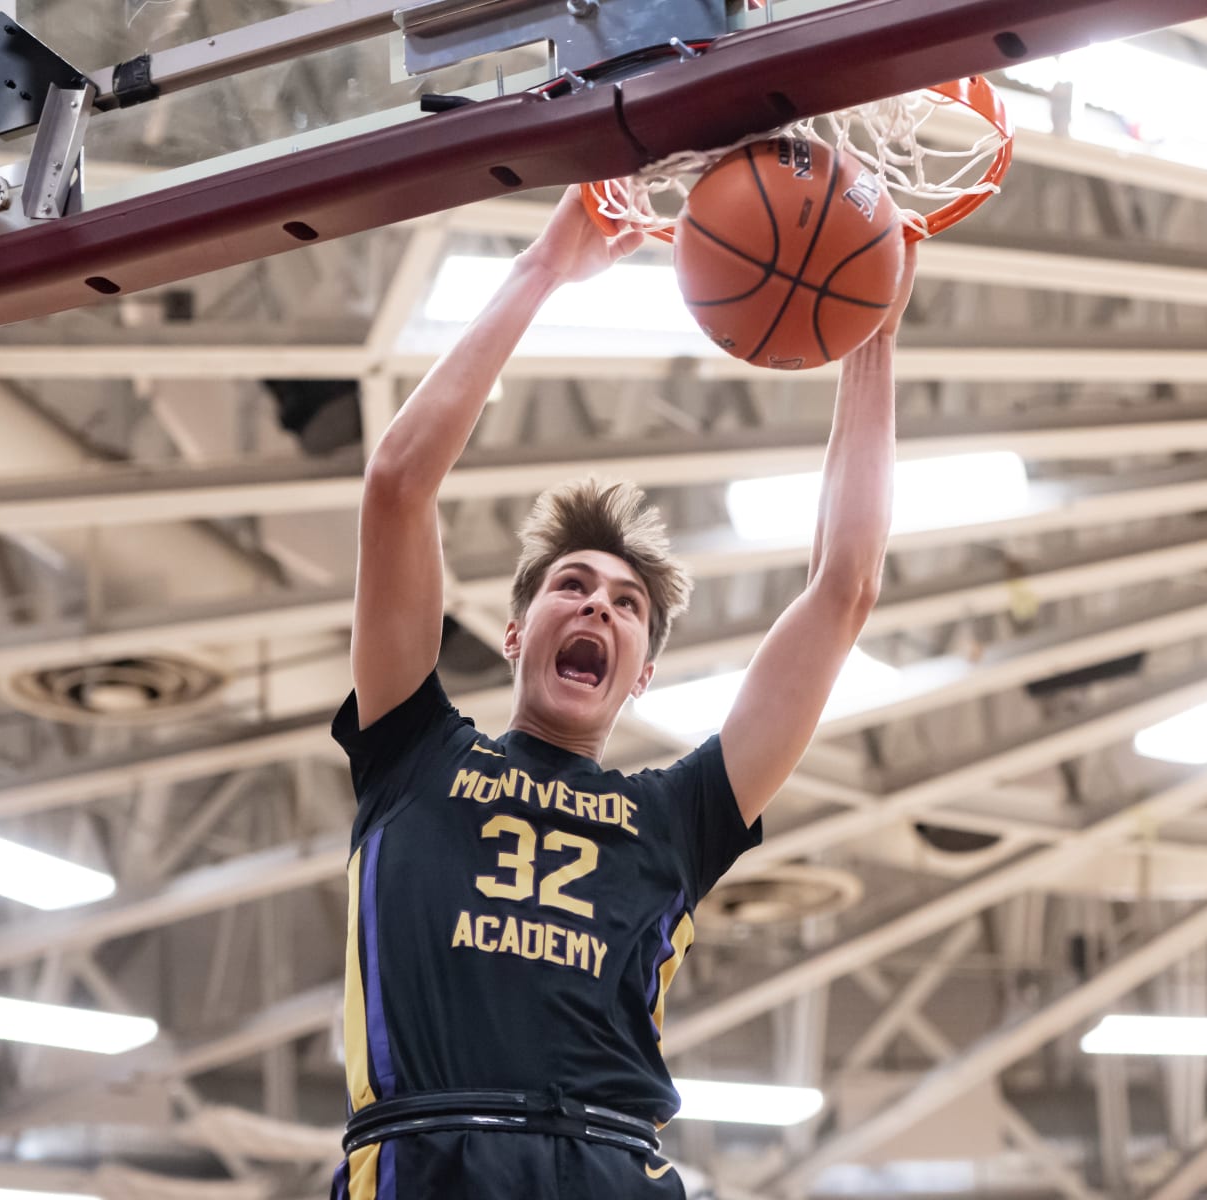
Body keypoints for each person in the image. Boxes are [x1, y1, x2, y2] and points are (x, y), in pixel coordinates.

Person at [331, 186, 916, 1199]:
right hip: (434, 1154)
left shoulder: (674, 817)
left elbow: (845, 588)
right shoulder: (413, 752)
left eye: (627, 604)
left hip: (612, 1163)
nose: (598, 608)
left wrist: (872, 317)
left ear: (642, 672)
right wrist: (544, 267)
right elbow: (397, 483)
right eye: (573, 586)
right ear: (516, 634)